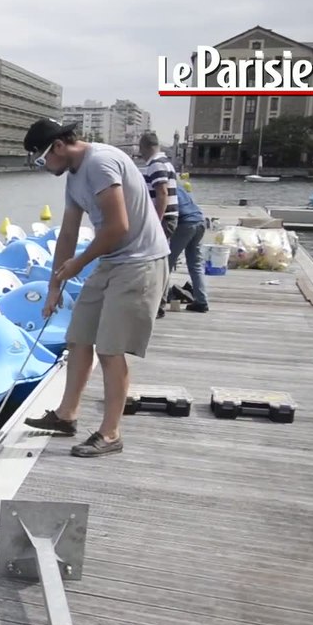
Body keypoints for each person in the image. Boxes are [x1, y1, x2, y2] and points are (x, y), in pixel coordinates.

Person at [20, 118, 169, 458]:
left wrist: (78, 265)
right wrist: (55, 284)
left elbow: (118, 226)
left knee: (110, 349)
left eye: (42, 160)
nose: (43, 168)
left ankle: (110, 432)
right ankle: (66, 415)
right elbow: (69, 233)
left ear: (58, 147)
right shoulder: (73, 178)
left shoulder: (100, 162)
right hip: (112, 259)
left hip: (140, 261)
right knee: (79, 335)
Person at [138, 132, 178, 318]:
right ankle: (159, 302)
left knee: (154, 262)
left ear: (144, 147)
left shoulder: (156, 164)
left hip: (164, 219)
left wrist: (155, 220)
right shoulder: (166, 162)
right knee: (159, 261)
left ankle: (157, 304)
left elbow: (161, 193)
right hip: (170, 218)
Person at [169, 183, 210, 312]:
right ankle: (201, 301)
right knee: (196, 264)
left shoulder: (163, 187)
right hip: (199, 221)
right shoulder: (179, 186)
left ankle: (160, 301)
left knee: (166, 264)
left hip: (185, 224)